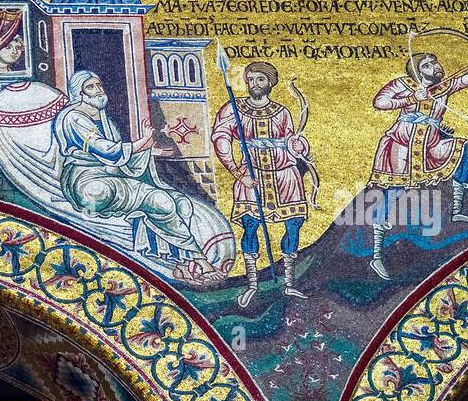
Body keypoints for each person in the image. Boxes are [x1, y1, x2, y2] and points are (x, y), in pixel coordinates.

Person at [53, 71, 206, 271]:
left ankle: (181, 262)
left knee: (180, 203)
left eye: (98, 85)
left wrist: (151, 150)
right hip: (85, 178)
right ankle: (197, 256)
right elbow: (107, 150)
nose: (98, 90)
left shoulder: (103, 119)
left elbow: (120, 157)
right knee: (159, 202)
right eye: (90, 87)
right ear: (79, 93)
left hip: (113, 176)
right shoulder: (72, 118)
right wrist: (143, 141)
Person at [365, 50, 468, 279]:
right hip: (401, 144)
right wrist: (412, 98)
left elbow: (464, 80)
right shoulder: (404, 84)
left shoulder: (442, 86)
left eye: (435, 62)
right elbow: (380, 102)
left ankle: (456, 211)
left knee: (467, 149)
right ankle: (377, 255)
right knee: (393, 191)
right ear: (417, 71)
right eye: (428, 65)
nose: (435, 67)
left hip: (431, 145)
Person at [211, 61, 312, 306]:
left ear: (270, 83)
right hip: (251, 176)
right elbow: (220, 137)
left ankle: (289, 284)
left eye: (260, 79)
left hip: (284, 176)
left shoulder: (281, 112)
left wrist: (299, 146)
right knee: (250, 227)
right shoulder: (233, 109)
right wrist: (237, 172)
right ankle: (252, 284)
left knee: (293, 225)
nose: (254, 84)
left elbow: (292, 142)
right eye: (251, 79)